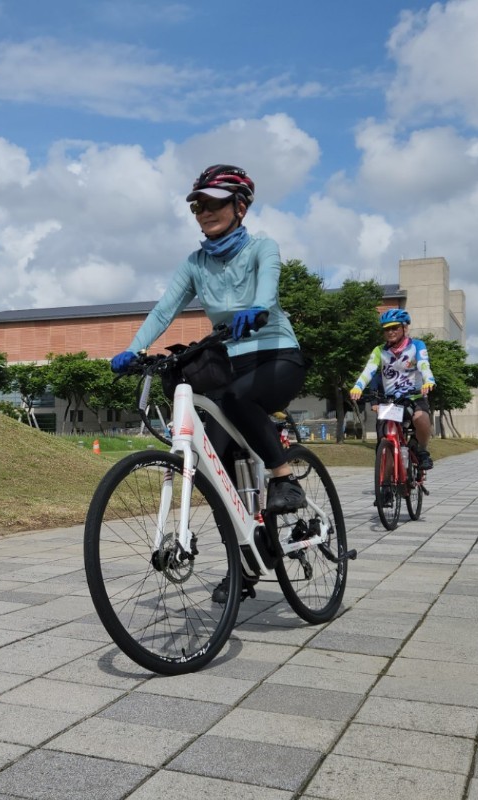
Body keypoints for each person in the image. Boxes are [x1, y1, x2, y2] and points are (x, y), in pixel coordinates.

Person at [110, 165, 308, 601]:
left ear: (240, 207)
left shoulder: (262, 247)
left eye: (215, 203)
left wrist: (257, 309)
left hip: (277, 355)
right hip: (231, 363)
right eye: (198, 206)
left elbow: (268, 288)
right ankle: (245, 563)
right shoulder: (195, 264)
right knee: (214, 462)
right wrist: (133, 349)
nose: (205, 212)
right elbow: (164, 310)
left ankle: (283, 477)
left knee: (236, 400)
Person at [349, 308, 436, 478]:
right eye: (386, 329)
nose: (390, 332)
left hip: (414, 396)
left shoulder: (417, 346)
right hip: (390, 401)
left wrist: (429, 380)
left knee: (420, 417)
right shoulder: (379, 351)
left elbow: (424, 365)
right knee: (385, 440)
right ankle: (386, 485)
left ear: (405, 327)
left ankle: (422, 451)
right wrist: (358, 386)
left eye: (395, 327)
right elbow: (369, 370)